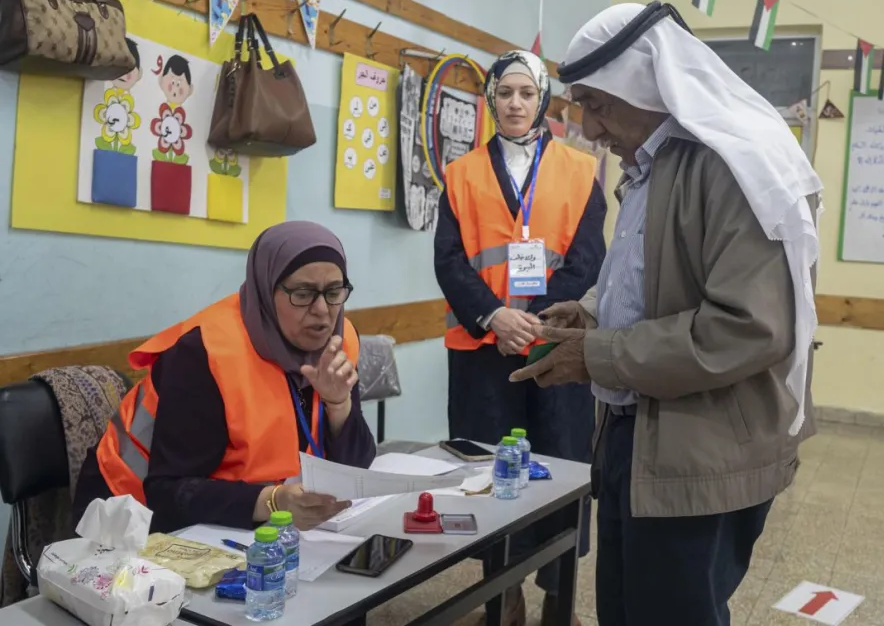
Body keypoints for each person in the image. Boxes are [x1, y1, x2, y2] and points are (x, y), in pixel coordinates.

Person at [510, 2, 823, 626]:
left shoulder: (733, 164)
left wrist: (594, 355)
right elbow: (647, 276)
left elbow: (746, 327)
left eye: (599, 105)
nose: (591, 129)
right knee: (627, 611)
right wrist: (591, 312)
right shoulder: (650, 166)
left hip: (703, 449)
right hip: (638, 431)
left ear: (647, 79)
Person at [434, 50, 607, 626]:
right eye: (504, 93)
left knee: (561, 467)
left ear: (543, 100)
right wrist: (493, 317)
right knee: (489, 475)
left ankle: (560, 596)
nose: (514, 103)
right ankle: (501, 595)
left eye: (525, 94)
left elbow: (587, 261)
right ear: (490, 100)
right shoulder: (459, 176)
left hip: (557, 352)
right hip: (483, 356)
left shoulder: (582, 172)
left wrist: (531, 320)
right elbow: (451, 262)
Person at [73, 221, 376, 534]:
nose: (322, 310)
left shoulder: (338, 341)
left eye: (334, 291)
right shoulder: (204, 354)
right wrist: (273, 502)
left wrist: (339, 405)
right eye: (302, 293)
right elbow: (168, 491)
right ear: (266, 289)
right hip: (129, 518)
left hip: (248, 521)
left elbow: (355, 465)